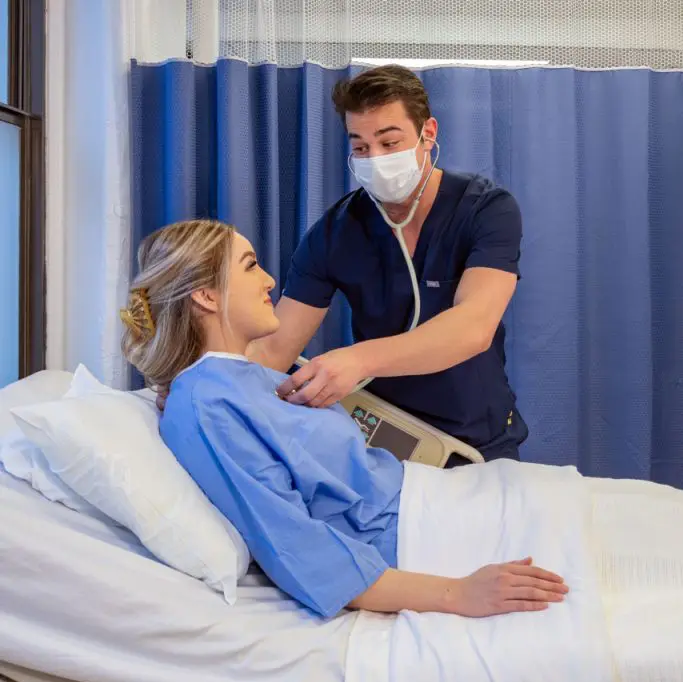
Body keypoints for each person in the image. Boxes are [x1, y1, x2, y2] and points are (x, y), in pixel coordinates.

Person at [121, 219, 564, 619]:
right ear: (206, 295)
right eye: (251, 266)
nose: (270, 280)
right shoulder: (204, 405)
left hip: (434, 498)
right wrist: (457, 594)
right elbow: (297, 545)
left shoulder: (241, 378)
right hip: (414, 535)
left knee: (578, 514)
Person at [159, 64, 528, 466]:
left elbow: (473, 327)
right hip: (392, 434)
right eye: (361, 147)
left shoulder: (486, 210)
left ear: (428, 133)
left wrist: (358, 360)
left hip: (478, 441)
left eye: (389, 143)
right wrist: (195, 384)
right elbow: (274, 348)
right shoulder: (336, 234)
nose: (376, 158)